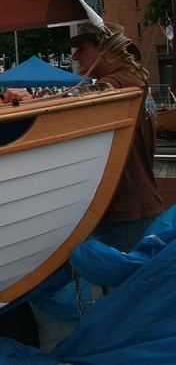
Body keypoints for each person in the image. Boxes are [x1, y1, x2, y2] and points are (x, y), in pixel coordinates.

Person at [67, 21, 163, 252]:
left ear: (105, 51)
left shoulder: (113, 86)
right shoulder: (136, 82)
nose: (75, 56)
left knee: (119, 286)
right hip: (139, 207)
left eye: (82, 47)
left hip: (123, 215)